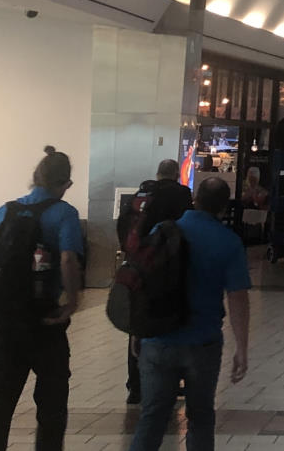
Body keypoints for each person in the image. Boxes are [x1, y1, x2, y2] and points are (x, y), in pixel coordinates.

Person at [0, 146, 84, 451]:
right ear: (65, 184)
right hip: (45, 322)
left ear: (35, 178)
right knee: (51, 410)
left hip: (3, 323)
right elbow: (69, 259)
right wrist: (71, 303)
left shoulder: (6, 210)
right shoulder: (64, 213)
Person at [129, 176, 251, 451]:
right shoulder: (228, 242)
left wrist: (138, 331)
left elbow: (142, 284)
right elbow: (238, 298)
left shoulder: (163, 230)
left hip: (158, 339)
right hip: (203, 343)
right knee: (201, 417)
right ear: (224, 208)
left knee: (152, 418)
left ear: (195, 200)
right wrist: (242, 347)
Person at [122, 161, 193, 405]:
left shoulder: (143, 192)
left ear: (157, 174)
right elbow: (186, 227)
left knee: (137, 326)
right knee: (169, 322)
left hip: (138, 267)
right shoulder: (181, 193)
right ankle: (169, 384)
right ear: (175, 175)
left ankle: (135, 386)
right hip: (167, 267)